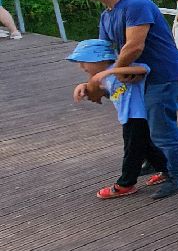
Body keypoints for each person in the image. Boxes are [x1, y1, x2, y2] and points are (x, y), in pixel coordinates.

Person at [66, 0, 178, 198]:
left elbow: (134, 46)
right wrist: (94, 82)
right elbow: (105, 54)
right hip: (137, 77)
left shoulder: (136, 5)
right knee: (141, 125)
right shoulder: (107, 15)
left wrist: (115, 73)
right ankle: (160, 165)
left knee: (161, 128)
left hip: (162, 76)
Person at [67, 39, 167, 199]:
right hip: (127, 117)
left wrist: (108, 72)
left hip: (138, 115)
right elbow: (108, 91)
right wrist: (85, 86)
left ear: (101, 59)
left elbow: (144, 69)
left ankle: (126, 183)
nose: (82, 67)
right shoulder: (104, 79)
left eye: (84, 62)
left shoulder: (118, 70)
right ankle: (167, 169)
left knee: (132, 150)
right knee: (146, 146)